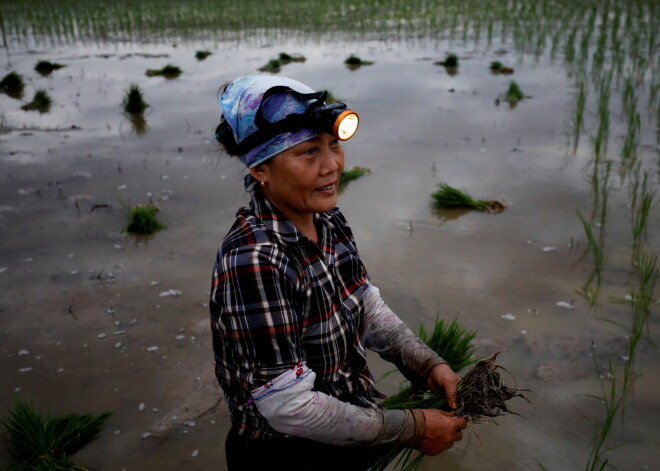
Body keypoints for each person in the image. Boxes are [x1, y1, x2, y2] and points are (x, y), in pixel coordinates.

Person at [210, 75, 468, 471]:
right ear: (261, 168)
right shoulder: (255, 260)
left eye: (334, 146)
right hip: (285, 456)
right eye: (309, 152)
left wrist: (424, 362)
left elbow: (363, 303)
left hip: (347, 433)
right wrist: (412, 427)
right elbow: (290, 408)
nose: (332, 167)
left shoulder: (328, 219)